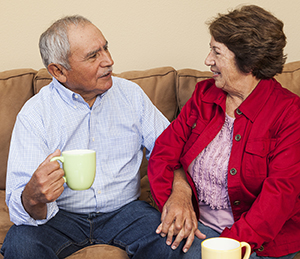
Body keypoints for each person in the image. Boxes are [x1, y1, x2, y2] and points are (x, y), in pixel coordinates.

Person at [0, 15, 185, 259]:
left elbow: (172, 151)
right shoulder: (35, 113)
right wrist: (33, 196)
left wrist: (180, 193)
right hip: (60, 217)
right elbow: (19, 204)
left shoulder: (131, 95)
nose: (109, 61)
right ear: (58, 71)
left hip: (126, 213)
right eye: (93, 56)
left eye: (105, 48)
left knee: (180, 241)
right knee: (20, 244)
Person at [148, 5, 300, 258]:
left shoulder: (290, 114)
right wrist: (177, 201)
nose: (208, 60)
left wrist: (224, 246)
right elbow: (163, 153)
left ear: (248, 61)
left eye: (216, 52)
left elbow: (279, 197)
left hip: (257, 242)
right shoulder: (204, 95)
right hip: (200, 230)